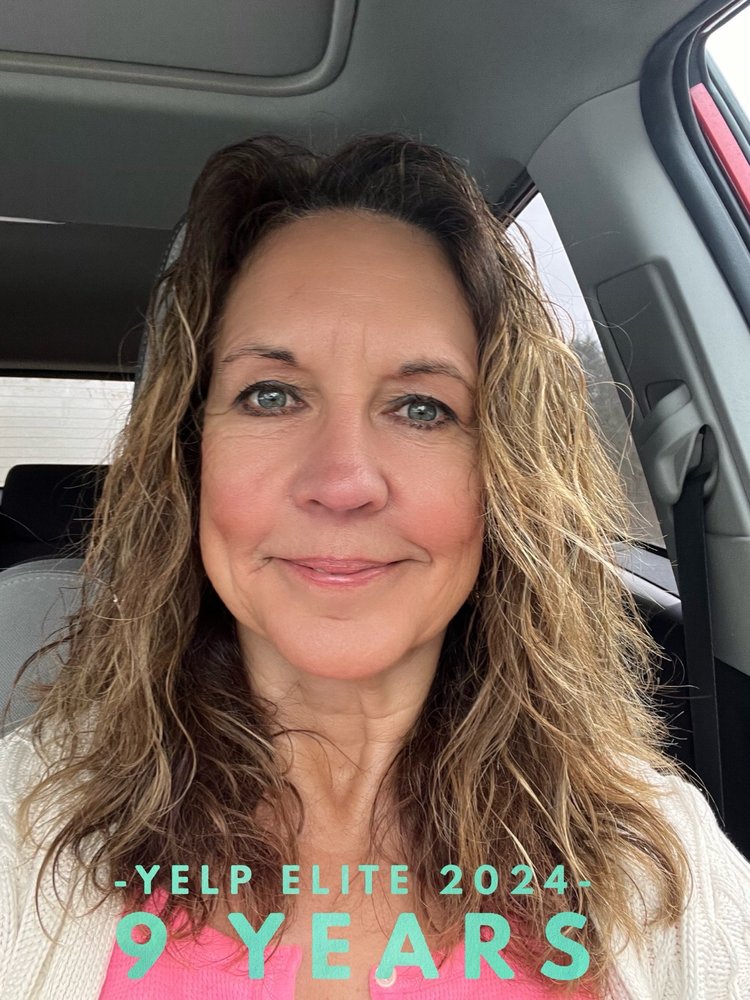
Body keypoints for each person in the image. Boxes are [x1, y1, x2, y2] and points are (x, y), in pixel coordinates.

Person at [1, 133, 749, 1000]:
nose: (343, 481)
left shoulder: (658, 863)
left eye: (422, 407)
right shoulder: (26, 824)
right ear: (190, 458)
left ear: (501, 476)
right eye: (271, 395)